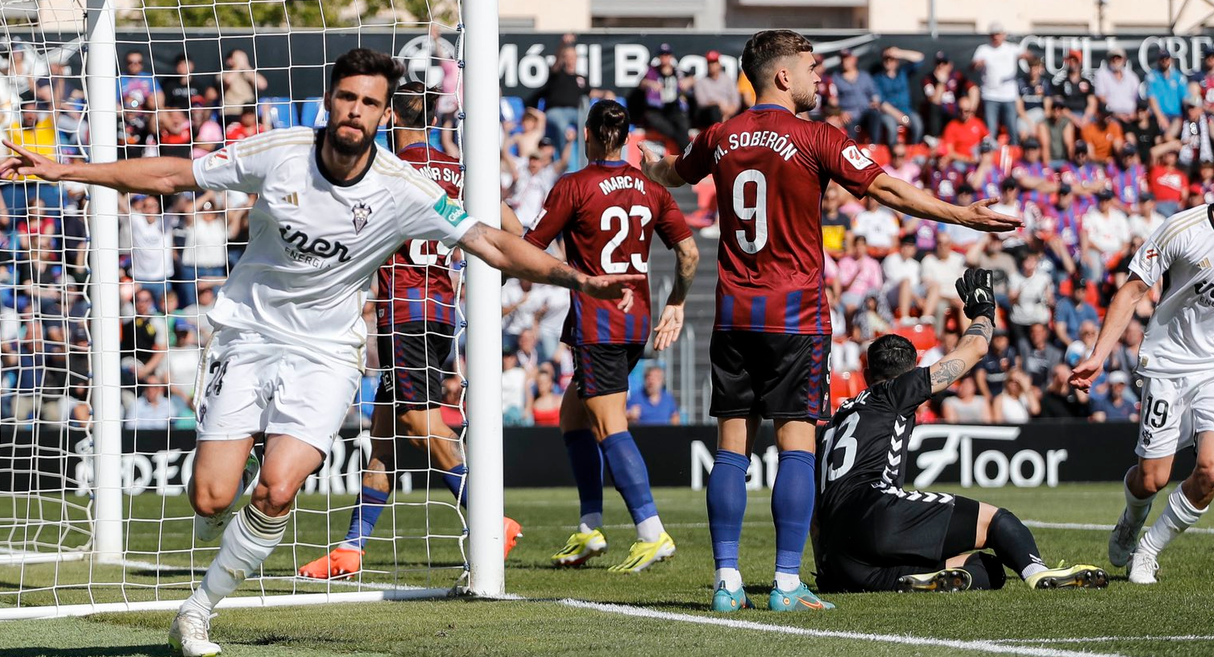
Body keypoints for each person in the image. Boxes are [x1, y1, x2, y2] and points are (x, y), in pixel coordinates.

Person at [1, 47, 642, 657]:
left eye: (370, 102)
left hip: (330, 351)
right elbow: (172, 173)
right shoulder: (277, 153)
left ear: (386, 115)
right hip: (248, 334)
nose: (355, 111)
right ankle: (230, 491)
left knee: (280, 490)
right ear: (328, 104)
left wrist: (577, 279)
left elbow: (492, 243)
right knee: (209, 498)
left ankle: (197, 610)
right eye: (346, 97)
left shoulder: (405, 187)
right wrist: (64, 169)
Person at [639, 29, 1019, 612]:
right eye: (813, 68)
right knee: (796, 447)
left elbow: (672, 174)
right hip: (795, 314)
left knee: (731, 449)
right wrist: (958, 214)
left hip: (734, 313)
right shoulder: (815, 137)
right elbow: (887, 187)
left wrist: (648, 162)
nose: (822, 79)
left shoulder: (718, 136)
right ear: (783, 76)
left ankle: (727, 581)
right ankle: (787, 583)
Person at [297, 81, 526, 581]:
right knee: (383, 435)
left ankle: (490, 519)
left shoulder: (386, 170)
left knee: (419, 422)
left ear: (391, 119)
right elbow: (514, 230)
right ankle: (351, 550)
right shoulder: (459, 171)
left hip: (405, 313)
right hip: (444, 313)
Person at [812, 269, 1106, 593]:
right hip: (878, 510)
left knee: (990, 571)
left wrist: (824, 562)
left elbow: (813, 504)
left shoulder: (835, 421)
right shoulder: (897, 391)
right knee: (997, 522)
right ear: (910, 372)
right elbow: (974, 351)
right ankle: (1037, 571)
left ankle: (928, 577)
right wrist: (984, 313)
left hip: (838, 546)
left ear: (866, 372)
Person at [1071, 140, 1214, 586]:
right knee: (1152, 479)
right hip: (1169, 363)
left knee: (1211, 470)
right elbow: (1131, 291)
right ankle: (1130, 521)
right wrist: (1098, 357)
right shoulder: (1182, 229)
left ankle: (1149, 549)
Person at [525, 99, 699, 573]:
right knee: (573, 418)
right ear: (625, 139)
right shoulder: (652, 188)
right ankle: (589, 529)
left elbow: (530, 252)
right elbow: (688, 255)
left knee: (608, 425)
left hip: (599, 321)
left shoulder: (574, 186)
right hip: (636, 320)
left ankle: (651, 532)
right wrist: (676, 302)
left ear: (587, 135)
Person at [970, 23, 1025, 141]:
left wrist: (1028, 57)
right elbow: (973, 66)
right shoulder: (983, 49)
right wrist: (977, 64)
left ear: (1004, 35)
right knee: (990, 128)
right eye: (993, 34)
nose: (995, 37)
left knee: (1012, 127)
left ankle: (1014, 150)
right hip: (990, 95)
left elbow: (1029, 55)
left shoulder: (1011, 48)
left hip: (1008, 95)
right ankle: (990, 153)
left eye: (998, 34)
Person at [638, 43, 693, 150]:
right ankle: (685, 151)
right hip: (657, 109)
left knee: (682, 124)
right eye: (662, 54)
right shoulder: (652, 71)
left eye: (667, 54)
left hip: (674, 107)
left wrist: (688, 81)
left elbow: (693, 79)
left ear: (671, 56)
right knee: (667, 128)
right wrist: (650, 84)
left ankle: (688, 153)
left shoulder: (678, 71)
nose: (665, 57)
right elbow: (641, 83)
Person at [693, 50, 742, 129]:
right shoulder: (701, 82)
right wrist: (718, 104)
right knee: (714, 110)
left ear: (719, 64)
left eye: (714, 62)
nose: (712, 65)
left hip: (728, 113)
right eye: (710, 63)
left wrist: (727, 113)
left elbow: (736, 100)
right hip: (708, 115)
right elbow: (701, 103)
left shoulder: (728, 79)